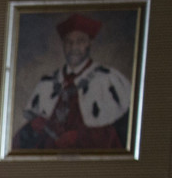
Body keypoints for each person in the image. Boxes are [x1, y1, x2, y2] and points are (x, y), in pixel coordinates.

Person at [13, 13, 133, 152]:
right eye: (68, 42)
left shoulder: (108, 79)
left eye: (80, 41)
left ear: (90, 43)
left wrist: (80, 137)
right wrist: (33, 128)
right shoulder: (48, 83)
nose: (74, 47)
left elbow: (120, 135)